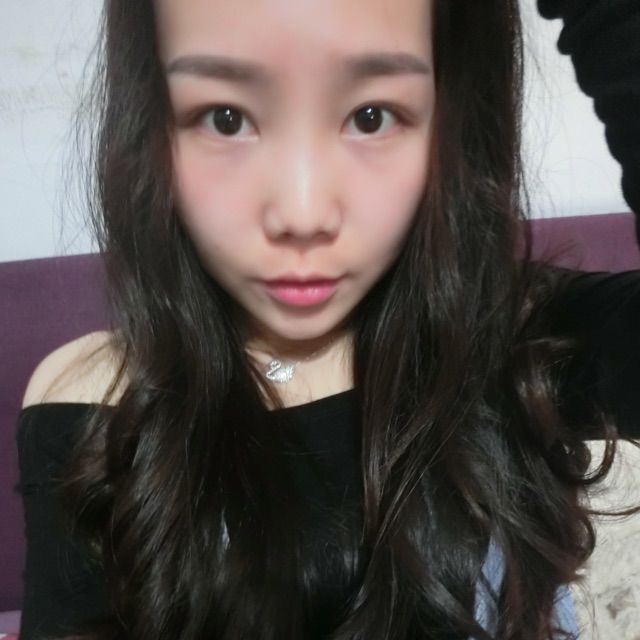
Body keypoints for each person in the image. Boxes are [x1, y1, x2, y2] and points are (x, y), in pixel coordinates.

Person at [15, 1, 640, 639]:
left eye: (372, 117)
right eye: (225, 118)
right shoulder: (97, 397)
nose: (303, 213)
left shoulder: (517, 337)